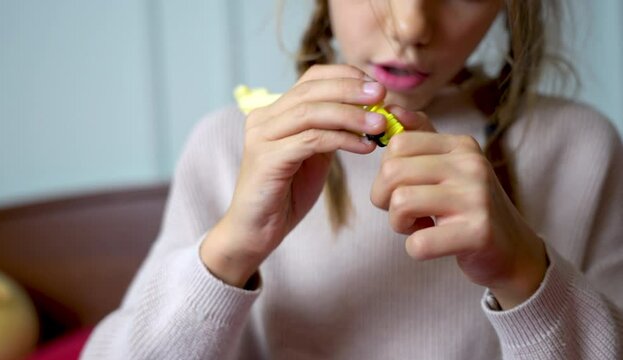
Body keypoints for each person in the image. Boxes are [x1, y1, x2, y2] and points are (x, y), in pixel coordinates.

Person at [81, 0, 623, 359]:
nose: (411, 27)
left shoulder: (584, 149)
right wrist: (229, 253)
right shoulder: (227, 148)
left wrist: (526, 275)